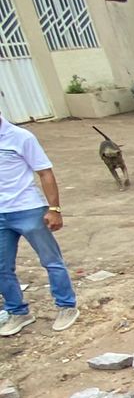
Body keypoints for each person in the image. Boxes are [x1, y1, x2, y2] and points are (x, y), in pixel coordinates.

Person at [0, 111, 78, 337]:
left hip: (28, 209)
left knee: (51, 261)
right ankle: (17, 312)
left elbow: (45, 172)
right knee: (2, 268)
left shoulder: (21, 137)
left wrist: (54, 209)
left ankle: (66, 307)